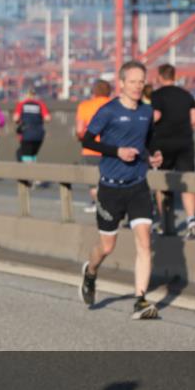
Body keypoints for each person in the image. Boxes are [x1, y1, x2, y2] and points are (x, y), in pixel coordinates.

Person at [79, 61, 163, 320]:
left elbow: (146, 141)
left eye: (142, 82)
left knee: (145, 243)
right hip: (110, 188)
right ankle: (90, 273)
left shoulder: (147, 112)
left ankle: (140, 301)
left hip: (138, 185)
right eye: (133, 81)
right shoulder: (108, 111)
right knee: (107, 247)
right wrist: (117, 152)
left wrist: (152, 157)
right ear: (122, 84)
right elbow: (87, 139)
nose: (138, 86)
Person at [150, 64, 195, 238]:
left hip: (163, 144)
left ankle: (164, 222)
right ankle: (191, 220)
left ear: (159, 77)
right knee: (187, 181)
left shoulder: (157, 95)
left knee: (162, 183)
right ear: (174, 76)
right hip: (185, 143)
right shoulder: (186, 95)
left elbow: (155, 115)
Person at [75, 79, 113, 214]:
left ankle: (99, 205)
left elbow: (80, 131)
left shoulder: (85, 106)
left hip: (90, 149)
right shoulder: (116, 106)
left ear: (94, 91)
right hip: (112, 149)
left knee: (93, 180)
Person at [13, 86, 51, 162]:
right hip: (39, 134)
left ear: (26, 95)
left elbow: (15, 118)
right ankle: (33, 169)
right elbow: (48, 118)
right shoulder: (40, 104)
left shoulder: (21, 104)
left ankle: (27, 172)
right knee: (33, 155)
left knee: (25, 156)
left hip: (26, 133)